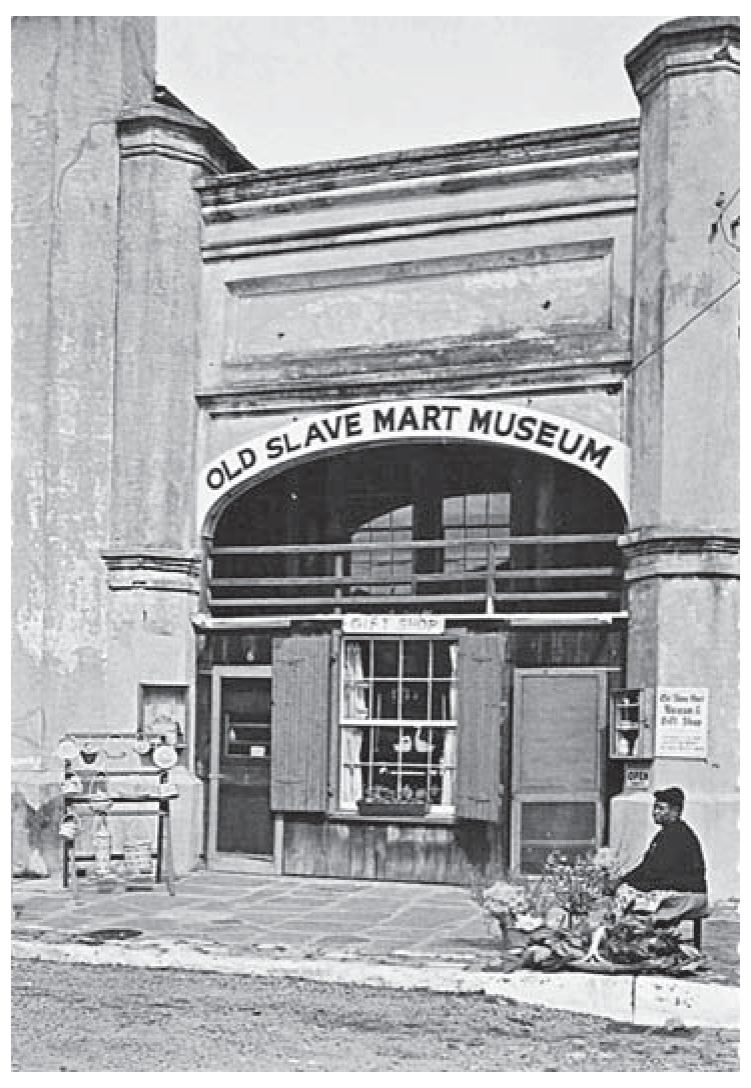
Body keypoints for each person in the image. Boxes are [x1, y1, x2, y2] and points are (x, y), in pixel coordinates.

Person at [613, 787, 708, 927]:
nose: (655, 812)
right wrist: (623, 880)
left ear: (675, 811)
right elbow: (646, 866)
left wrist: (631, 884)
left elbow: (658, 872)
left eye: (660, 808)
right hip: (675, 889)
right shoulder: (663, 835)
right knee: (627, 893)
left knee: (635, 903)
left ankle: (642, 935)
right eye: (654, 807)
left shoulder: (678, 835)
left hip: (689, 895)